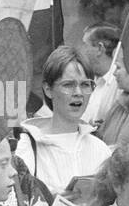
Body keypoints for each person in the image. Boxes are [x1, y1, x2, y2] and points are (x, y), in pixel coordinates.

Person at [21, 46, 111, 196]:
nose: (78, 93)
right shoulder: (26, 147)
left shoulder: (100, 150)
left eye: (85, 85)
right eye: (68, 85)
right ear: (48, 89)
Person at [79, 23, 121, 133]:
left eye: (84, 45)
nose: (81, 51)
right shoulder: (93, 81)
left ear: (99, 49)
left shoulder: (119, 85)